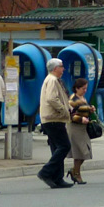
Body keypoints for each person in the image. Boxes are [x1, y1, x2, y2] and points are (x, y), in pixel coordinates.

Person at [38, 58, 74, 189]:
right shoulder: (52, 80)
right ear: (55, 68)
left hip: (52, 118)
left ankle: (57, 178)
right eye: (61, 66)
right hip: (54, 118)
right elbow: (52, 98)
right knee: (64, 146)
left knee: (56, 148)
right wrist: (64, 110)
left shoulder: (53, 80)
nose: (63, 69)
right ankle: (46, 172)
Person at [66, 77, 95, 185]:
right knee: (80, 152)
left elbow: (83, 109)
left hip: (83, 128)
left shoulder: (82, 98)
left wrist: (90, 110)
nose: (85, 90)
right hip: (75, 128)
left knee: (85, 152)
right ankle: (77, 174)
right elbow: (69, 115)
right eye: (83, 88)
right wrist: (80, 119)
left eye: (86, 88)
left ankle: (74, 171)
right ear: (77, 88)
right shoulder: (72, 100)